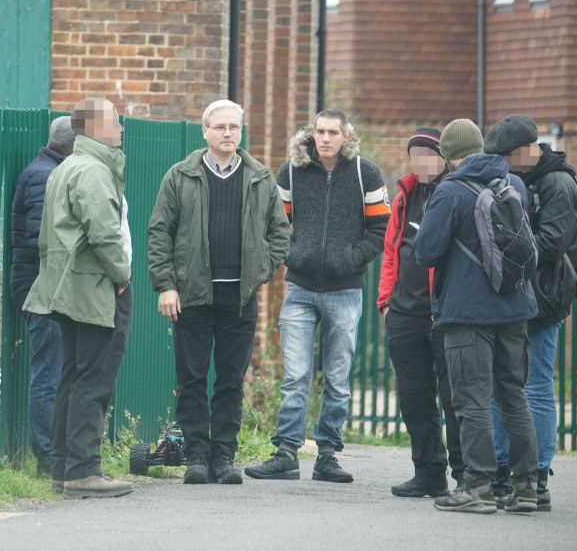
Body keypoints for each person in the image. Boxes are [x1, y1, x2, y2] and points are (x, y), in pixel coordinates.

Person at [148, 99, 290, 485]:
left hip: (239, 298)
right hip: (193, 296)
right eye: (221, 127)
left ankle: (224, 456)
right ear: (205, 131)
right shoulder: (180, 176)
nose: (229, 133)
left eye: (235, 127)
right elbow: (160, 231)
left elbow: (280, 232)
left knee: (230, 380)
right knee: (192, 378)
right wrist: (166, 284)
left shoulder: (260, 178)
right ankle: (196, 456)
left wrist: (261, 269)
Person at [245, 109, 389, 483]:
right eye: (319, 132)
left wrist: (351, 259)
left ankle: (327, 455)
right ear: (312, 134)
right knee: (295, 376)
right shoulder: (292, 171)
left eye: (332, 133)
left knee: (338, 378)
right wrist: (294, 256)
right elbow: (275, 225)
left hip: (345, 291)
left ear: (345, 136)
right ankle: (286, 453)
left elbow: (381, 228)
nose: (325, 139)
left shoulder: (365, 173)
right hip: (301, 288)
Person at [414, 118, 539, 514]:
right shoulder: (514, 184)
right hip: (515, 306)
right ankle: (526, 488)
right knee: (513, 396)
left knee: (472, 401)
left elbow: (426, 252)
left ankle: (478, 487)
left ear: (448, 155)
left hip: (467, 312)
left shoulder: (450, 190)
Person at [23, 98, 134, 499]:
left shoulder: (67, 166)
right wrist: (122, 274)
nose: (121, 129)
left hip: (71, 287)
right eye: (116, 123)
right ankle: (84, 470)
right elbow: (104, 233)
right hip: (96, 288)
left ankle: (65, 469)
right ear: (96, 128)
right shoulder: (92, 170)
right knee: (93, 378)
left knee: (72, 375)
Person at [484, 114, 577, 511]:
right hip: (515, 296)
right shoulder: (515, 180)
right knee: (501, 383)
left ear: (527, 149)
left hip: (543, 299)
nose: (502, 164)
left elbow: (552, 243)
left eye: (507, 156)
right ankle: (502, 467)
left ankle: (538, 473)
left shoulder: (557, 183)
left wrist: (505, 249)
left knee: (536, 384)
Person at [377, 126, 464, 497]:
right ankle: (428, 472)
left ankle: (466, 476)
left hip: (445, 315)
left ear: (443, 158)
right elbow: (391, 251)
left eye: (428, 154)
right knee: (414, 398)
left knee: (454, 397)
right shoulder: (404, 196)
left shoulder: (454, 193)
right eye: (415, 155)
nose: (421, 161)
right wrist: (385, 302)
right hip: (405, 314)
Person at [10, 116, 75, 477]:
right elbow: (42, 242)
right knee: (48, 373)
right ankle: (47, 458)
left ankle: (55, 454)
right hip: (43, 288)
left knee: (54, 371)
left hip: (47, 286)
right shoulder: (45, 176)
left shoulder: (47, 171)